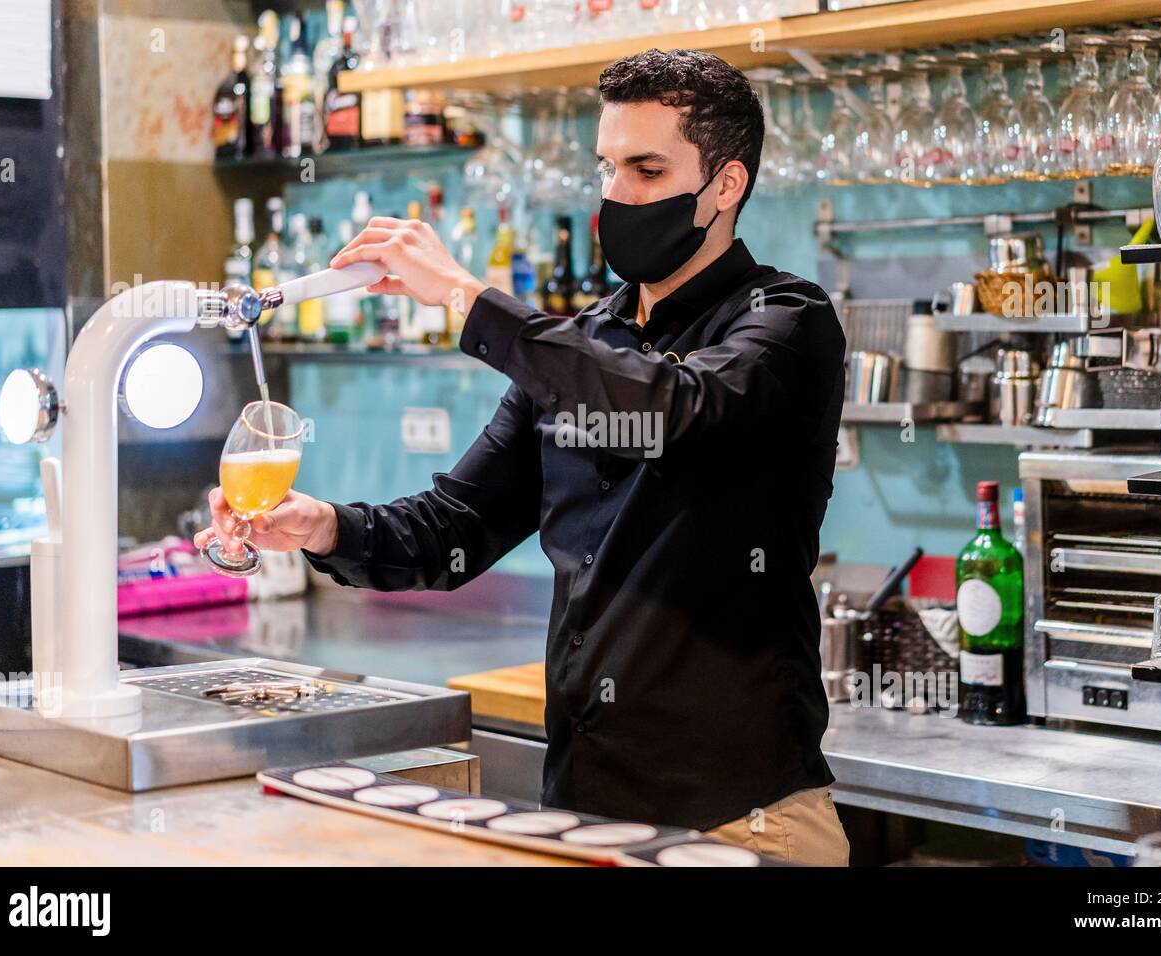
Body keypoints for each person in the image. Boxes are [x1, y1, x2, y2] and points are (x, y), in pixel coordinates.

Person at [196, 48, 848, 866]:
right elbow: (452, 529)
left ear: (726, 186)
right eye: (607, 168)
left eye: (648, 170)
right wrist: (319, 526)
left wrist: (467, 298)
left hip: (738, 822)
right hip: (583, 815)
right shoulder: (587, 343)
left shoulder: (786, 322)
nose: (618, 195)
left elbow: (670, 408)